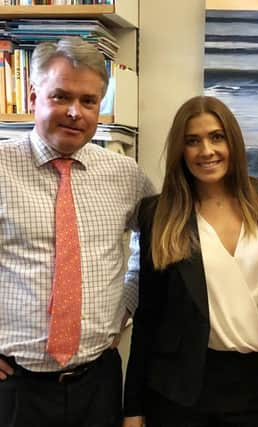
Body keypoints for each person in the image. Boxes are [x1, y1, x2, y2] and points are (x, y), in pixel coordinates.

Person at [0, 37, 154, 427]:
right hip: (13, 387)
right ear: (34, 96)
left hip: (98, 383)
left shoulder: (125, 174)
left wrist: (128, 299)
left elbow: (158, 243)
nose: (75, 112)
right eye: (61, 97)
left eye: (88, 101)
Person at [122, 95, 258, 427]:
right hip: (178, 393)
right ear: (180, 150)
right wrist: (133, 408)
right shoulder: (159, 214)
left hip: (257, 387)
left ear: (232, 140)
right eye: (192, 141)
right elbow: (148, 318)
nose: (206, 151)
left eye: (216, 137)